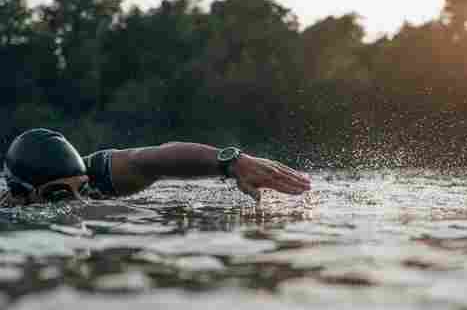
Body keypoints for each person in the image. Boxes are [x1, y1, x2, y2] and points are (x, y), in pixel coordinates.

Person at [0, 128, 311, 207]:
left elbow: (154, 159)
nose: (79, 202)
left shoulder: (94, 172)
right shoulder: (9, 209)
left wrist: (232, 162)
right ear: (18, 195)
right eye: (58, 196)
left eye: (82, 189)